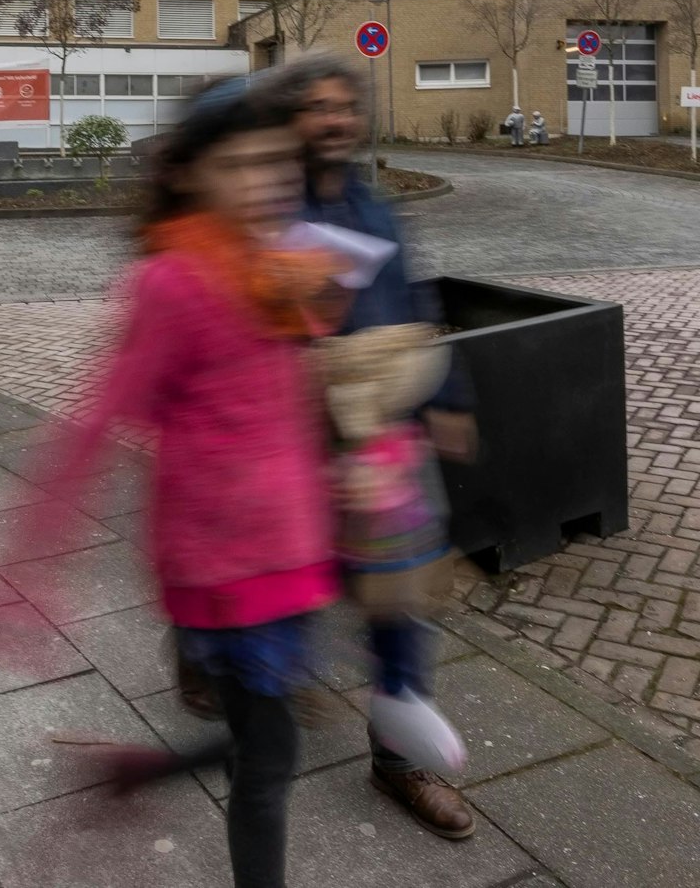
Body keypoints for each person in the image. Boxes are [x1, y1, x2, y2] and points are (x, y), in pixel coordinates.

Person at [0, 78, 345, 888]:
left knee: (266, 737)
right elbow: (97, 421)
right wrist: (28, 569)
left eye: (276, 162)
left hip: (289, 545)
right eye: (239, 165)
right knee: (272, 756)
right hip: (225, 561)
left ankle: (145, 769)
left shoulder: (270, 263)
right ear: (190, 172)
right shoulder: (173, 281)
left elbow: (279, 395)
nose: (264, 182)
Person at [267, 52, 479, 841]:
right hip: (291, 436)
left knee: (399, 595)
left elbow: (415, 300)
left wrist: (448, 397)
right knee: (282, 579)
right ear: (292, 120)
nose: (334, 120)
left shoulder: (375, 205)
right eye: (317, 107)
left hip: (380, 436)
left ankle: (398, 759)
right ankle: (226, 657)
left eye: (344, 107)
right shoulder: (265, 206)